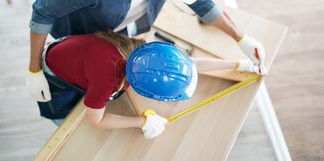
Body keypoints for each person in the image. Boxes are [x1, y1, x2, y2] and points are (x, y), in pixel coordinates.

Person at [27, 0, 265, 103]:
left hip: (116, 31)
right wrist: (34, 70)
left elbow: (201, 3)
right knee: (78, 80)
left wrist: (241, 39)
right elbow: (42, 12)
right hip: (81, 35)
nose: (174, 0)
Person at [38, 31, 264, 139]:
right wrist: (141, 121)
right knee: (67, 124)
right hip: (53, 76)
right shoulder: (108, 82)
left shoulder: (140, 50)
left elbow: (190, 64)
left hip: (73, 54)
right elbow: (96, 120)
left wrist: (238, 64)